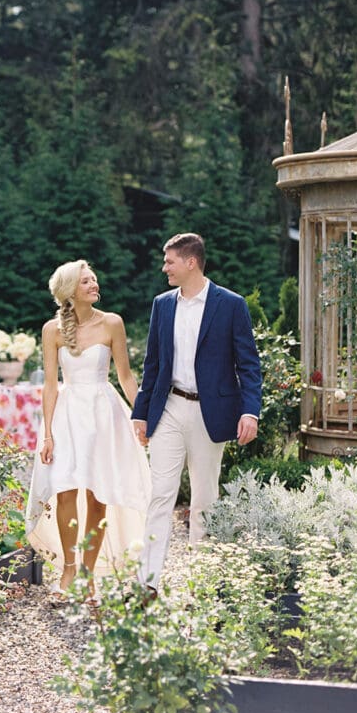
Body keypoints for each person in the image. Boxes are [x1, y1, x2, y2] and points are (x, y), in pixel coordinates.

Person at [131, 232, 262, 593]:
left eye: (169, 261)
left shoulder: (231, 305)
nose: (164, 268)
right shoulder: (162, 304)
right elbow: (152, 363)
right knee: (160, 493)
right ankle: (148, 583)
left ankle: (200, 585)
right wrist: (140, 414)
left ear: (191, 262)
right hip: (169, 407)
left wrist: (250, 411)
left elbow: (248, 365)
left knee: (205, 499)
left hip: (211, 412)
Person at [25, 259, 151, 601]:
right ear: (70, 291)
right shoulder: (52, 330)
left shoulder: (112, 323)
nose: (94, 284)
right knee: (65, 491)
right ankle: (68, 571)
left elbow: (125, 376)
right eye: (86, 281)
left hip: (103, 414)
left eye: (94, 279)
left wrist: (142, 416)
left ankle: (88, 575)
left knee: (98, 495)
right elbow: (50, 385)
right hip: (67, 415)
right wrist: (47, 433)